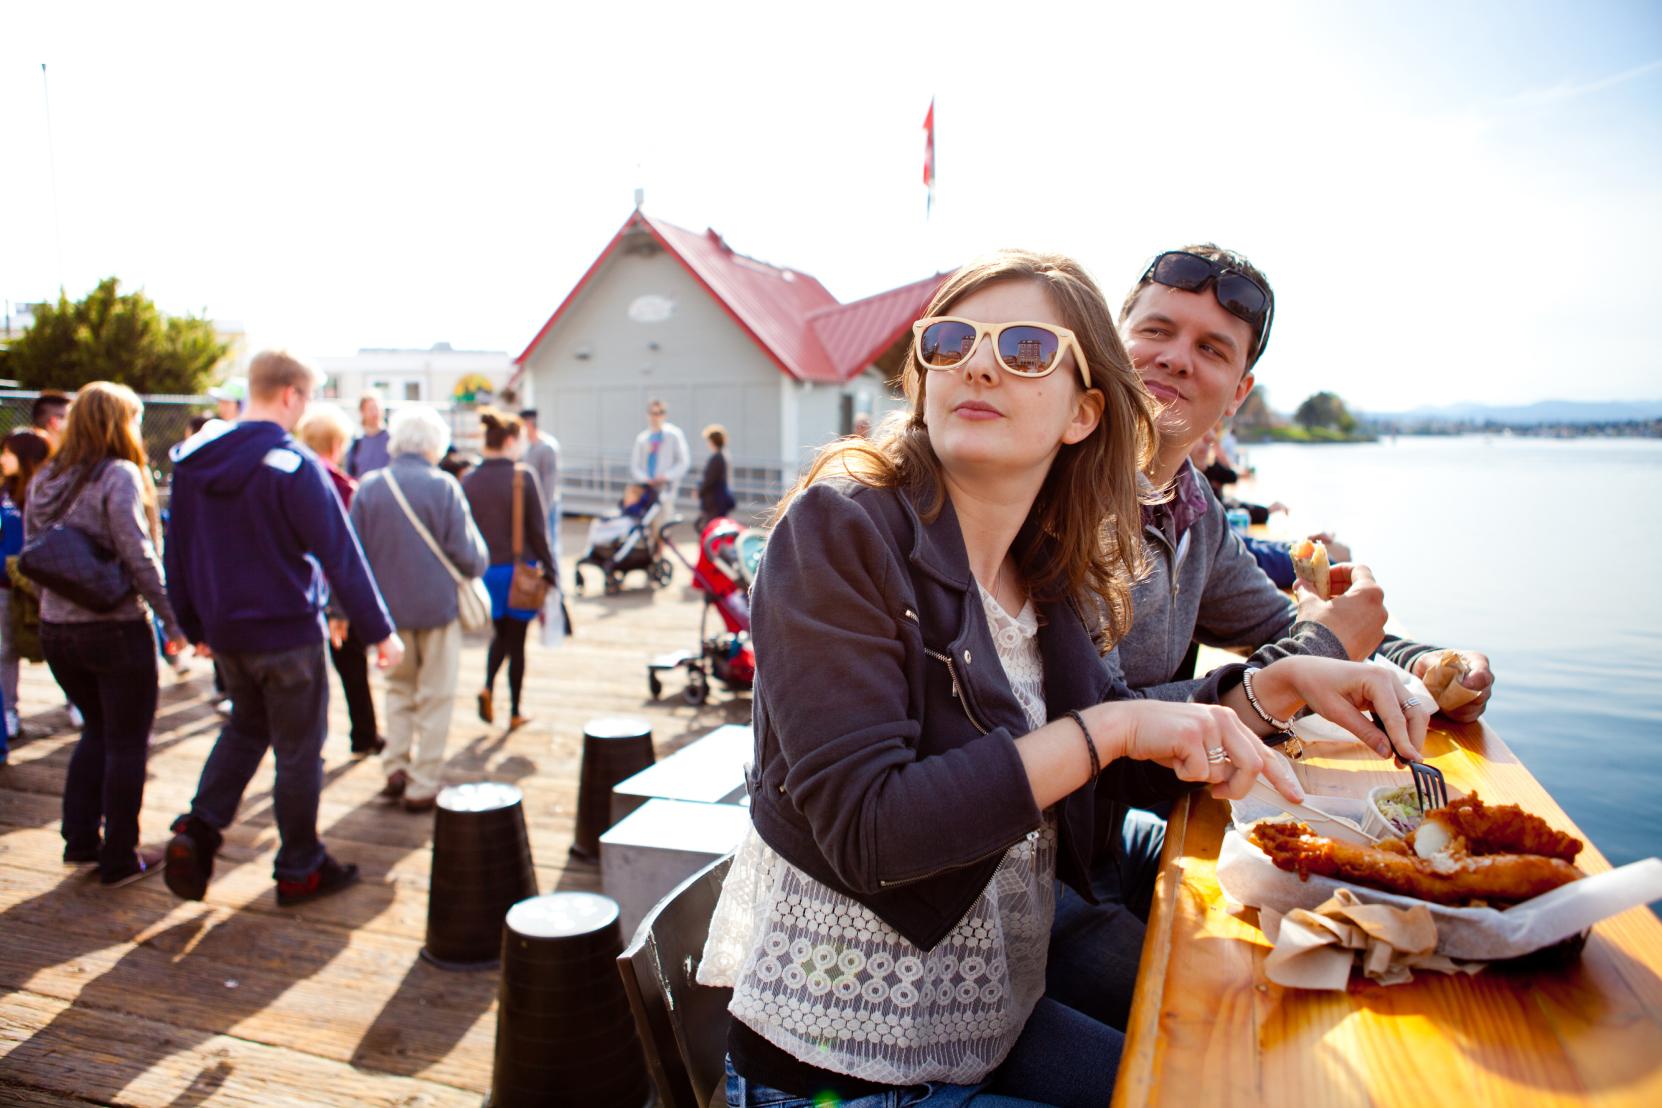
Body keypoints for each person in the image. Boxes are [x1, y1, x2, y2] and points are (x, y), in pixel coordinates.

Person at [699, 250, 1430, 1104]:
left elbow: (1115, 728)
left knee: (1254, 1071)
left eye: (1025, 349)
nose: (978, 361)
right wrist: (1112, 730)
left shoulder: (1043, 561)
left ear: (1084, 413)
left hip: (995, 1013)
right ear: (925, 377)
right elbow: (874, 832)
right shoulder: (842, 531)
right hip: (848, 1068)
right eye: (951, 341)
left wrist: (1284, 678)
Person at [1111, 245, 1492, 718]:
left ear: (1238, 394)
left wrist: (1419, 664)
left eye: (1211, 348)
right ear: (1110, 342)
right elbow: (1095, 723)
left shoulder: (1191, 508)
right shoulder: (1057, 494)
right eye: (1156, 330)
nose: (1176, 358)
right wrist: (1305, 663)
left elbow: (1279, 624)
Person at [162, 350, 402, 908]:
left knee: (246, 727)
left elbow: (178, 550)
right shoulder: (293, 464)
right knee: (299, 752)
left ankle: (198, 830)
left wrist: (193, 623)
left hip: (226, 635)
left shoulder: (193, 464)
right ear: (291, 394)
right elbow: (340, 555)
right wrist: (380, 631)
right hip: (288, 636)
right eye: (308, 398)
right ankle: (300, 867)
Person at [23, 382, 187, 886]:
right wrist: (172, 620)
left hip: (58, 630)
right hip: (113, 630)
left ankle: (79, 839)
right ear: (120, 422)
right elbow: (139, 555)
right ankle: (119, 856)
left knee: (96, 728)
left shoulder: (47, 474)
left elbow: (37, 552)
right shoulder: (119, 474)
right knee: (127, 742)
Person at [351, 405, 488, 811]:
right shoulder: (444, 486)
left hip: (388, 615)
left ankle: (394, 764)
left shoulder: (370, 487)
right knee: (435, 695)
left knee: (397, 690)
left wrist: (344, 610)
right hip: (436, 609)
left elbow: (352, 556)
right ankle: (423, 782)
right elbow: (470, 557)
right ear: (435, 443)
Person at [295, 403, 383, 758]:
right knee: (352, 670)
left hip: (301, 596)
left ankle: (311, 742)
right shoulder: (345, 489)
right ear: (336, 445)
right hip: (336, 596)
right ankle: (363, 734)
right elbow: (349, 552)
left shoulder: (289, 480)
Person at [462, 408, 554, 730]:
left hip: (486, 574)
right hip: (520, 573)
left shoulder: (469, 480)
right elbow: (538, 532)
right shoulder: (522, 476)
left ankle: (488, 687)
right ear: (511, 440)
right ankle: (514, 711)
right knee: (517, 644)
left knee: (499, 635)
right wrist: (552, 572)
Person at [1, 430, 52, 746]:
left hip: (43, 585)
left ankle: (77, 705)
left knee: (51, 645)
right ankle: (9, 711)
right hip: (6, 588)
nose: (2, 459)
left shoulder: (43, 491)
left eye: (7, 452)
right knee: (5, 650)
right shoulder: (4, 492)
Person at [519, 407, 563, 574]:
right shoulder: (529, 447)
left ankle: (556, 583)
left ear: (529, 424)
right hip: (535, 505)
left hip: (547, 505)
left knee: (550, 544)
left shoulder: (547, 447)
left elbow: (549, 481)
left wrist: (543, 509)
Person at [628, 398, 690, 506]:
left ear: (664, 415)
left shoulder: (674, 435)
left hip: (666, 489)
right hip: (645, 489)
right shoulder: (642, 438)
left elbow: (683, 462)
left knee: (663, 520)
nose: (655, 417)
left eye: (659, 413)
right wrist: (646, 479)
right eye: (653, 413)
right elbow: (635, 465)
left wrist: (666, 476)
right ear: (648, 415)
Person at [696, 423, 737, 531]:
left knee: (712, 528)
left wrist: (699, 491)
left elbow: (709, 480)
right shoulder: (723, 455)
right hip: (719, 499)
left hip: (715, 501)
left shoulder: (717, 457)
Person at [345, 392, 390, 478]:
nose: (375, 413)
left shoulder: (392, 440)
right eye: (370, 409)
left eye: (377, 408)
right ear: (362, 412)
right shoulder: (356, 443)